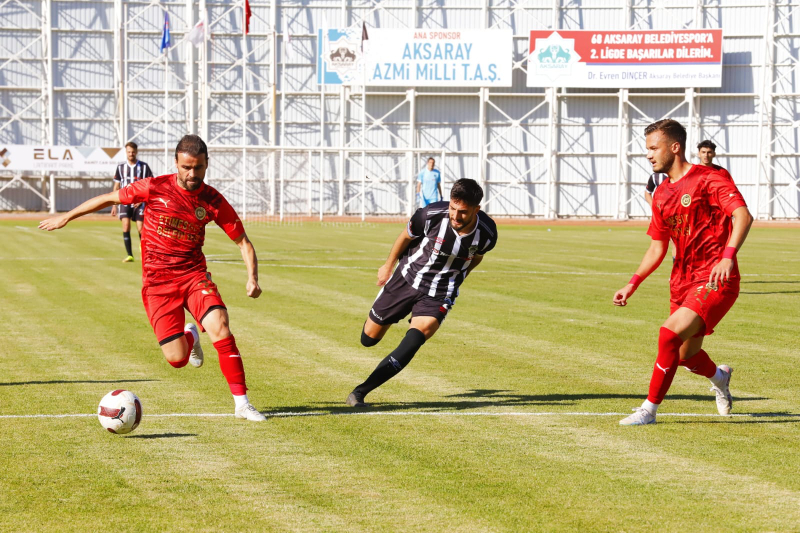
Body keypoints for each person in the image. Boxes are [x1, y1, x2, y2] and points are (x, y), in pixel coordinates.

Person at [39, 135, 266, 422]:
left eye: (197, 168)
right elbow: (110, 197)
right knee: (176, 359)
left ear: (207, 165)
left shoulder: (213, 200)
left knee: (221, 325)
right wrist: (66, 217)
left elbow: (243, 242)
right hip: (158, 286)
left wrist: (253, 278)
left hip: (194, 276)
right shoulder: (155, 187)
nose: (191, 174)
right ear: (176, 163)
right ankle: (191, 335)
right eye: (186, 167)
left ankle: (242, 404)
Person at [613, 119, 753, 426]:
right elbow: (657, 247)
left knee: (668, 335)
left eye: (654, 148)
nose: (648, 155)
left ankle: (648, 411)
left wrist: (728, 257)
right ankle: (720, 378)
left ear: (674, 147)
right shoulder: (661, 193)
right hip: (681, 281)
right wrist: (632, 283)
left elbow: (742, 215)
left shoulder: (708, 178)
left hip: (716, 278)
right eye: (646, 149)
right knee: (686, 355)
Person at [346, 178, 497, 407]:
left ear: (477, 209)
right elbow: (406, 236)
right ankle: (392, 316)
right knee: (369, 339)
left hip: (440, 291)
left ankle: (360, 392)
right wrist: (388, 265)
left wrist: (460, 278)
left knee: (417, 337)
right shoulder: (430, 214)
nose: (456, 217)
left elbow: (477, 255)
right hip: (406, 278)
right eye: (453, 209)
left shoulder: (487, 234)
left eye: (463, 212)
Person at [111, 142, 153, 262]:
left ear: (136, 152)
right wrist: (114, 205)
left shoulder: (144, 167)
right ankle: (130, 255)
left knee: (141, 228)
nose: (131, 154)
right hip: (124, 202)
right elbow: (117, 185)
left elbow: (150, 185)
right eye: (129, 152)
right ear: (126, 152)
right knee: (125, 226)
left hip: (139, 202)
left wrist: (143, 199)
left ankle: (145, 252)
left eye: (133, 151)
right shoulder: (121, 167)